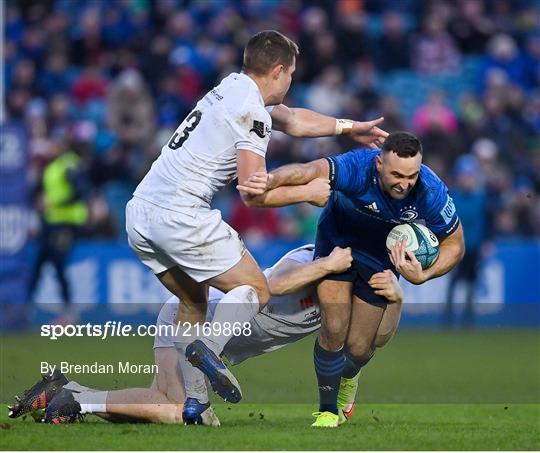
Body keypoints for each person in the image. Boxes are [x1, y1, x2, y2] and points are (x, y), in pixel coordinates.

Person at [124, 29, 388, 418]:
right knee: (255, 289)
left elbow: (294, 120)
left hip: (140, 213)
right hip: (181, 213)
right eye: (292, 73)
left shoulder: (232, 86)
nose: (292, 81)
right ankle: (210, 350)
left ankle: (196, 402)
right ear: (279, 70)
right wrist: (308, 192)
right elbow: (252, 191)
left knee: (193, 302)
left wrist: (350, 127)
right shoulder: (251, 114)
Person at [9, 244, 404, 425]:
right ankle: (74, 400)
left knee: (157, 407)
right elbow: (274, 285)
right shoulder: (313, 258)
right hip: (195, 317)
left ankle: (70, 391)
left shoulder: (352, 297)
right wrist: (326, 264)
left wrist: (397, 299)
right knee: (178, 412)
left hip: (206, 336)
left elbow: (371, 343)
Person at [240, 131, 465, 427]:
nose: (405, 183)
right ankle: (327, 410)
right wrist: (270, 179)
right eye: (397, 174)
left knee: (359, 348)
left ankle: (350, 376)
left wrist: (425, 274)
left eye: (411, 176)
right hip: (337, 243)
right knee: (333, 326)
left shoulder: (430, 190)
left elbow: (456, 244)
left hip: (380, 257)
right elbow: (309, 170)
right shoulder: (357, 167)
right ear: (379, 165)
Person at [28, 138, 89, 323]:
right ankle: (23, 310)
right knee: (39, 264)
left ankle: (69, 313)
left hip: (66, 223)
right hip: (51, 223)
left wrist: (54, 204)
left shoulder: (68, 164)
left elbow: (80, 191)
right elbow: (42, 193)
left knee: (58, 262)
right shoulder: (52, 167)